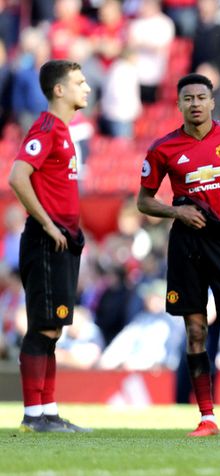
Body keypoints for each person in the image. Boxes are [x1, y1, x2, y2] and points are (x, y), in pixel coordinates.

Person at [136, 73, 220, 439]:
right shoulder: (163, 148)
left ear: (212, 102)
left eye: (201, 97)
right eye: (188, 98)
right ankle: (207, 417)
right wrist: (176, 212)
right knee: (195, 330)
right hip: (186, 243)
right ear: (179, 104)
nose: (195, 103)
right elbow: (144, 200)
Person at [8, 59, 92, 433]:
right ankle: (32, 415)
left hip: (63, 242)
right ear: (59, 90)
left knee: (53, 329)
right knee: (42, 327)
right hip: (45, 241)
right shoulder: (45, 128)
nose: (86, 88)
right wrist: (47, 223)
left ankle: (49, 412)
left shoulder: (64, 131)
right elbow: (17, 176)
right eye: (79, 82)